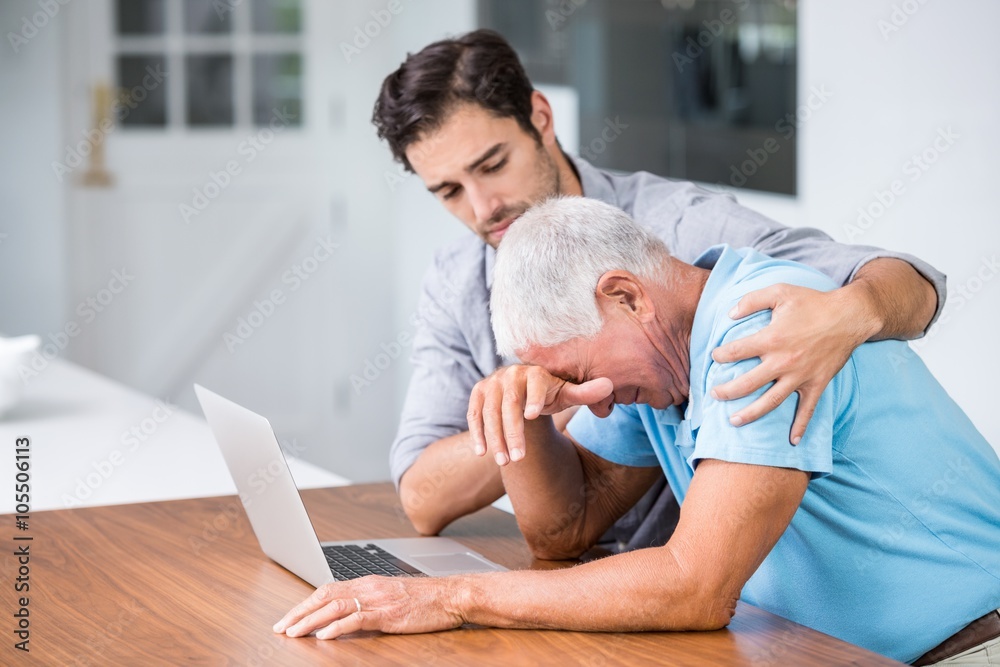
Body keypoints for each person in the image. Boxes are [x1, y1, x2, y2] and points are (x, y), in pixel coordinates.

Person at [275, 197, 1000, 666]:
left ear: (625, 295)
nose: (590, 401)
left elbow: (695, 585)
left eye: (580, 371)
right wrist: (526, 409)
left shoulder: (763, 330)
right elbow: (565, 527)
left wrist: (452, 596)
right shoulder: (658, 358)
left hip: (966, 648)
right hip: (828, 650)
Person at [376, 29, 945, 547]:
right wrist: (547, 394)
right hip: (582, 567)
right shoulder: (457, 279)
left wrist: (851, 311)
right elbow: (422, 498)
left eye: (493, 164)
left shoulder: (680, 235)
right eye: (448, 192)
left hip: (715, 582)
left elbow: (912, 283)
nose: (483, 209)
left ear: (541, 118)